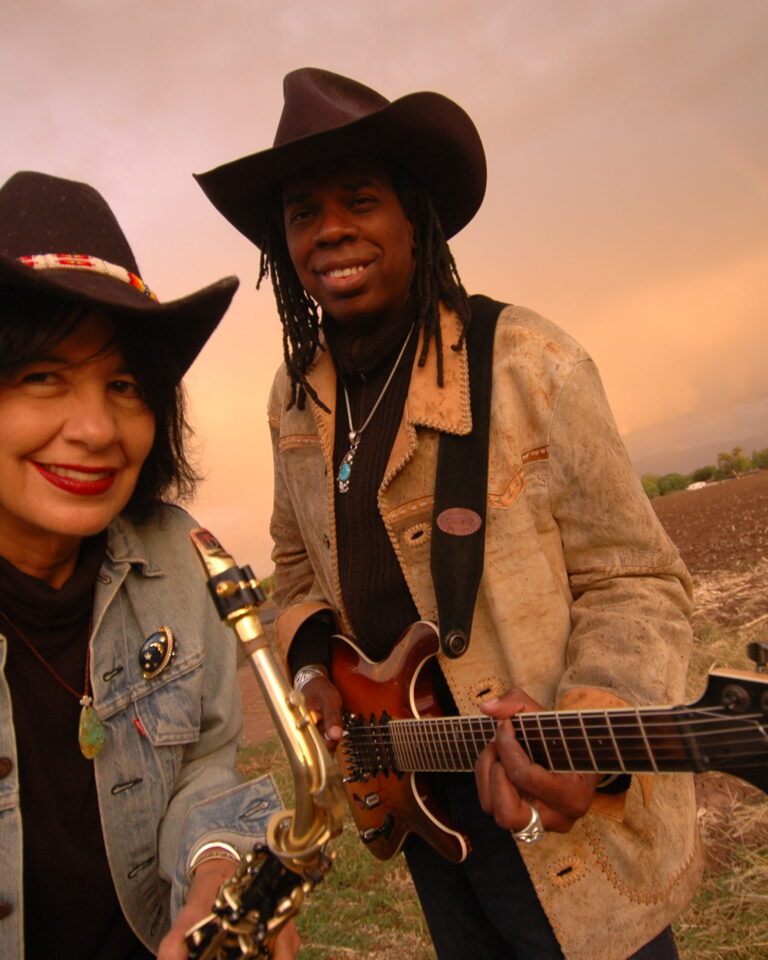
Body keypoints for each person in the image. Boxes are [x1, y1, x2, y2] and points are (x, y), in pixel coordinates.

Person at [195, 69, 702, 960]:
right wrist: (319, 674)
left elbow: (638, 578)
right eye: (304, 213)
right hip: (418, 799)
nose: (331, 231)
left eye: (360, 200)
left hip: (557, 813)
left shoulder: (528, 363)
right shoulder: (294, 401)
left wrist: (588, 726)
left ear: (414, 218)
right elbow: (296, 565)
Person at [0, 171, 299, 960]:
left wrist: (216, 871)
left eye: (124, 385)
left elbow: (204, 760)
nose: (98, 429)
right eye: (42, 377)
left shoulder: (178, 556)